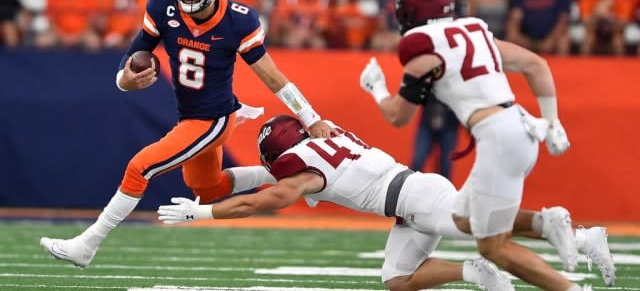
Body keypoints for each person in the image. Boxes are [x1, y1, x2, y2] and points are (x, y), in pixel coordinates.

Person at [40, 0, 333, 268]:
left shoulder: (238, 20)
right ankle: (294, 174)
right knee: (208, 188)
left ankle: (87, 244)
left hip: (213, 120)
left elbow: (274, 78)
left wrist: (310, 116)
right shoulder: (162, 3)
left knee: (140, 168)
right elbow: (134, 55)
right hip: (192, 114)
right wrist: (126, 80)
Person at [358, 0, 614, 289]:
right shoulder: (475, 32)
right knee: (464, 220)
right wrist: (552, 121)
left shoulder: (422, 49)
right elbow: (536, 65)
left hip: (498, 137)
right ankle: (560, 228)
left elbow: (398, 117)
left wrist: (377, 89)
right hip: (522, 129)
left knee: (493, 246)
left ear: (410, 11)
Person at [157, 115, 614, 291]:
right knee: (397, 279)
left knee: (485, 228)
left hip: (418, 196)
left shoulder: (304, 171)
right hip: (407, 204)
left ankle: (572, 231)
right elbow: (254, 178)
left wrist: (202, 212)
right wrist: (212, 177)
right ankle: (472, 271)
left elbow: (263, 199)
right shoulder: (325, 137)